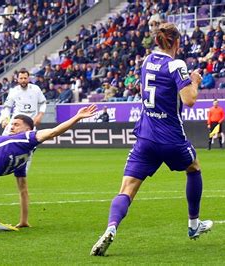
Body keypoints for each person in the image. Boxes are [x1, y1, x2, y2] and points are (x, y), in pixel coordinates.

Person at [90, 23, 213, 257]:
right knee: (194, 168)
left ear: (157, 42)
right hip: (170, 137)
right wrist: (195, 80)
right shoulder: (177, 64)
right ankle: (193, 224)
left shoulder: (147, 61)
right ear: (176, 42)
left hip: (145, 136)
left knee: (127, 188)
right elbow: (189, 100)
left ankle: (111, 227)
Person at [0, 68, 47, 228]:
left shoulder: (36, 90)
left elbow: (43, 103)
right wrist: (5, 118)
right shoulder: (13, 91)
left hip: (29, 128)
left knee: (22, 178)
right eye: (21, 78)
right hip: (15, 126)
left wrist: (40, 115)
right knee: (1, 147)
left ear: (29, 78)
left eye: (26, 78)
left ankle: (24, 220)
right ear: (17, 79)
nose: (23, 80)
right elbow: (6, 106)